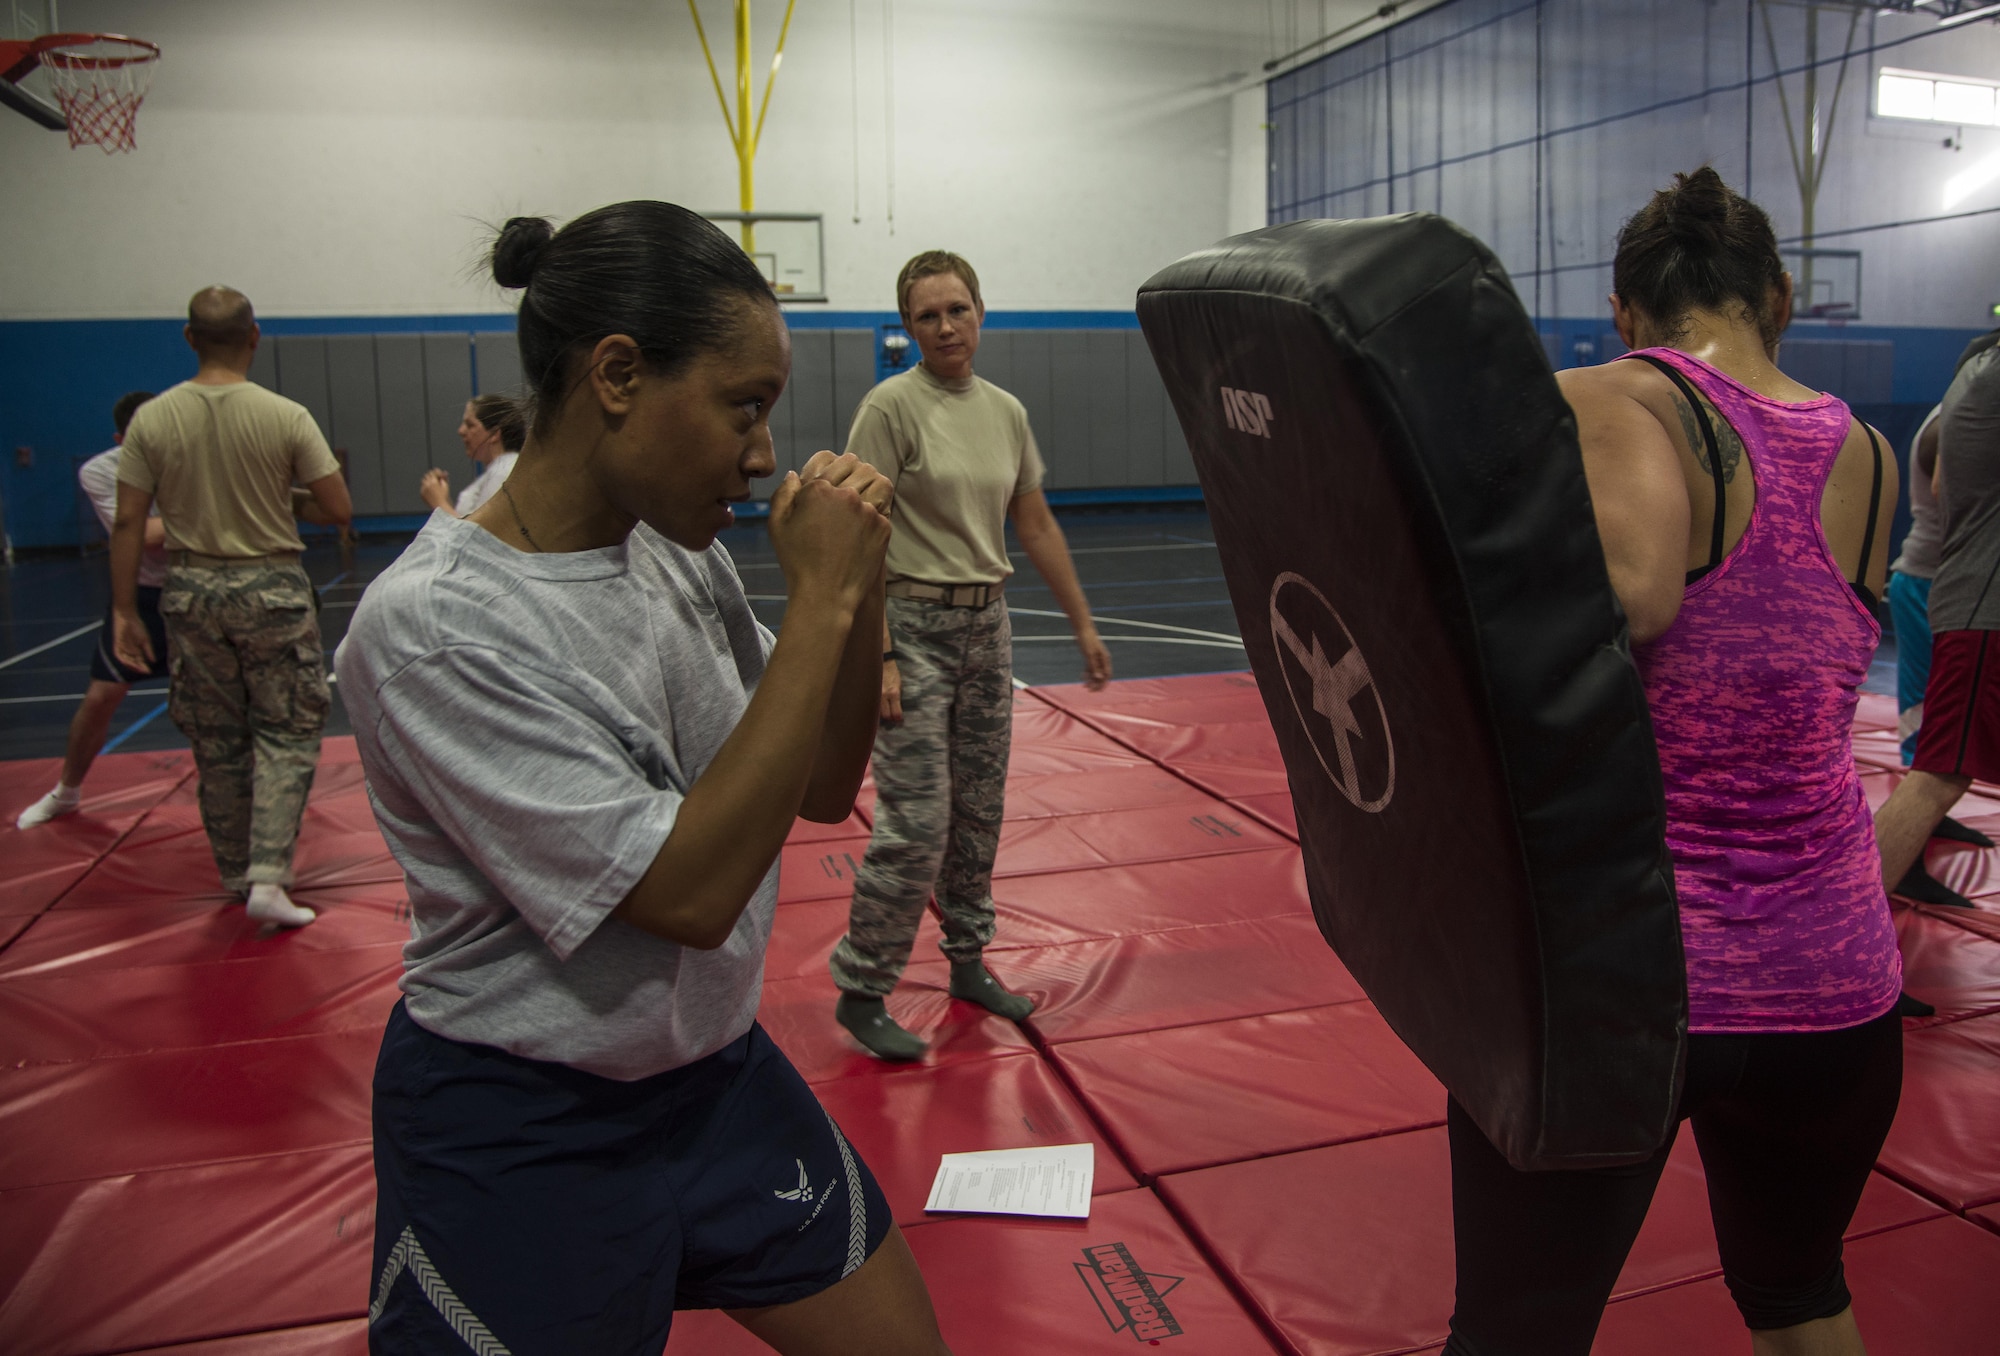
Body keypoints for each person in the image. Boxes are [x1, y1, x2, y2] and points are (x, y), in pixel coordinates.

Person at [335, 204, 948, 1355]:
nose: (762, 453)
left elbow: (817, 785)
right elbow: (686, 894)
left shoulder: (676, 554)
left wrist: (857, 589)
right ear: (617, 375)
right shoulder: (437, 628)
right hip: (520, 1121)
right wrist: (816, 598)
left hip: (712, 1078)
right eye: (742, 406)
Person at [1443, 169, 1902, 1356]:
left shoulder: (1610, 395)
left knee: (1514, 1333)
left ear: (1626, 310)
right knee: (1797, 1295)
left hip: (1632, 990)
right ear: (1778, 296)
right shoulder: (1868, 451)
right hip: (1837, 990)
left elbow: (1634, 599)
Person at [826, 249, 1113, 1061]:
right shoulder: (889, 408)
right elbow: (860, 535)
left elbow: (1036, 525)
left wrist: (1083, 626)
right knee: (917, 818)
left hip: (988, 627)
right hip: (911, 628)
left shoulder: (1006, 412)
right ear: (907, 326)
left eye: (958, 310)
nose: (945, 327)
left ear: (981, 313)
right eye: (927, 315)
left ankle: (966, 961)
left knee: (979, 810)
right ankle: (864, 984)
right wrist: (878, 654)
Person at [110, 287, 354, 929]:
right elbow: (337, 508)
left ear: (189, 339)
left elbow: (129, 520)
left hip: (189, 591)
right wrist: (282, 500)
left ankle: (233, 871)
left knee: (217, 740)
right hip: (269, 587)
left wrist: (123, 611)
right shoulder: (285, 415)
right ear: (255, 337)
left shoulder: (153, 420)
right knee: (287, 729)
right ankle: (269, 875)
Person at [1874, 327, 2000, 911]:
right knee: (1937, 760)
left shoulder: (1969, 385)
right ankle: (1856, 929)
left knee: (1937, 754)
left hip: (1959, 591)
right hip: (1962, 598)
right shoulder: (1981, 385)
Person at [16, 392, 168, 829]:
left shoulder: (187, 458)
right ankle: (66, 790)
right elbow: (143, 534)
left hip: (200, 590)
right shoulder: (101, 470)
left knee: (227, 700)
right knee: (102, 695)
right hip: (141, 595)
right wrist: (208, 517)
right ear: (121, 438)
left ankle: (258, 798)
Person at [419, 393, 526, 517]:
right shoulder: (500, 471)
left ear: (495, 433)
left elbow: (484, 534)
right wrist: (444, 501)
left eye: (470, 425)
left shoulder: (504, 471)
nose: (461, 431)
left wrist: (439, 503)